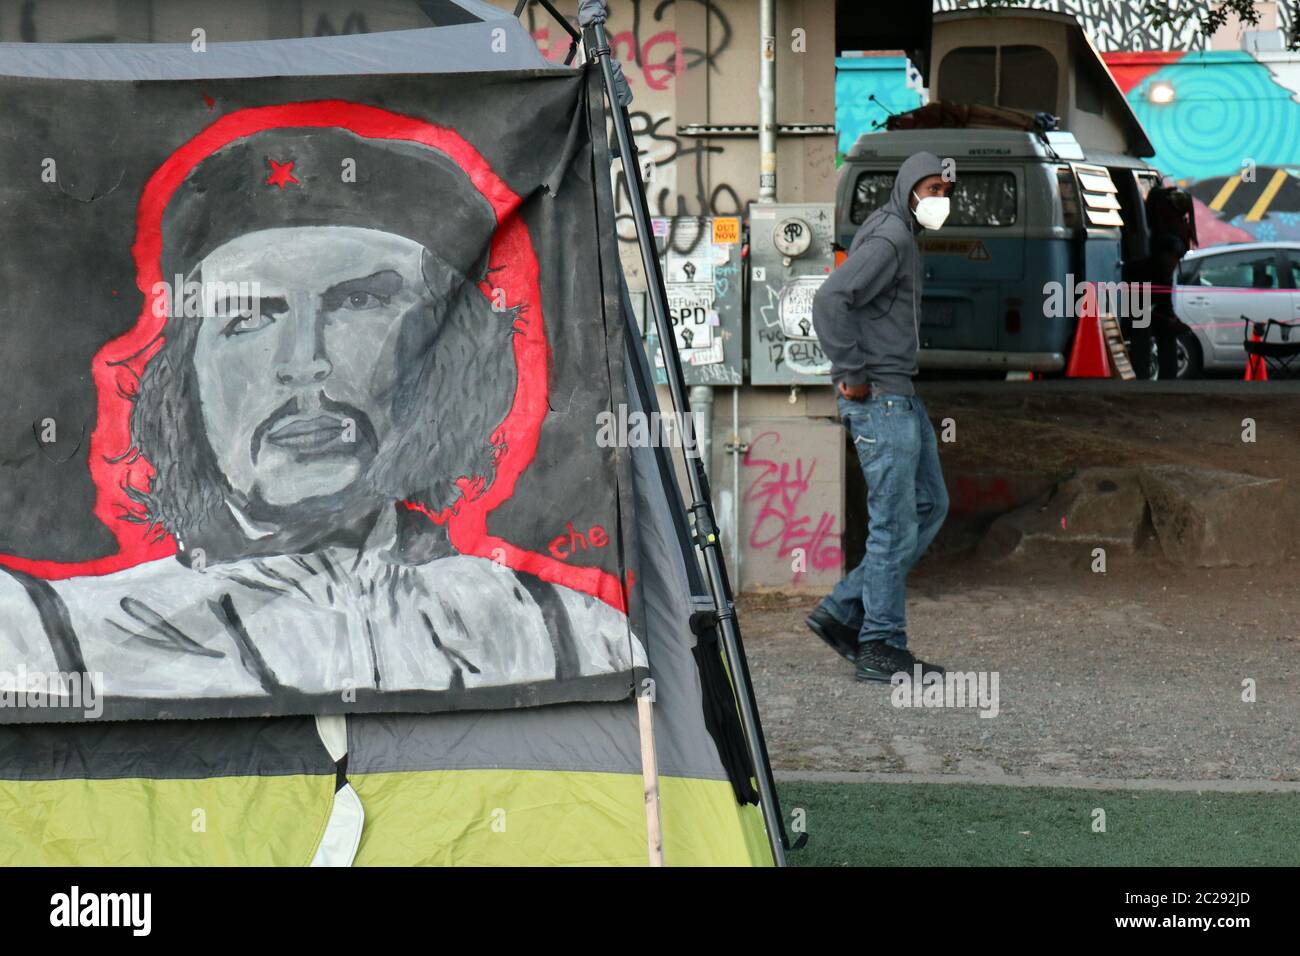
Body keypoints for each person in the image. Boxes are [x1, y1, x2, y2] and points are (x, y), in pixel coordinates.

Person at [0, 123, 643, 715]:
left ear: (448, 355)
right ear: (186, 379)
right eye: (249, 315)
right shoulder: (55, 642)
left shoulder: (566, 638)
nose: (304, 362)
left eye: (359, 302)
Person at [807, 151, 951, 682]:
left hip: (900, 394)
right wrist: (851, 371)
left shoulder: (899, 233)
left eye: (944, 190)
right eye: (933, 189)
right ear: (910, 187)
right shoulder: (891, 238)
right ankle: (881, 646)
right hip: (881, 398)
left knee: (929, 504)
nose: (941, 200)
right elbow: (831, 299)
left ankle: (844, 610)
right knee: (893, 526)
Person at [1122, 233, 1187, 380]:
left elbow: (1164, 305)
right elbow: (1137, 306)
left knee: (1168, 331)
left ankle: (1168, 379)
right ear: (1161, 255)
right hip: (1127, 314)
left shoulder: (1165, 276)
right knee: (1142, 327)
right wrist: (1165, 319)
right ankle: (1141, 376)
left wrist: (1173, 320)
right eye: (1171, 257)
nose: (1174, 263)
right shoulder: (1139, 270)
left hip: (1145, 314)